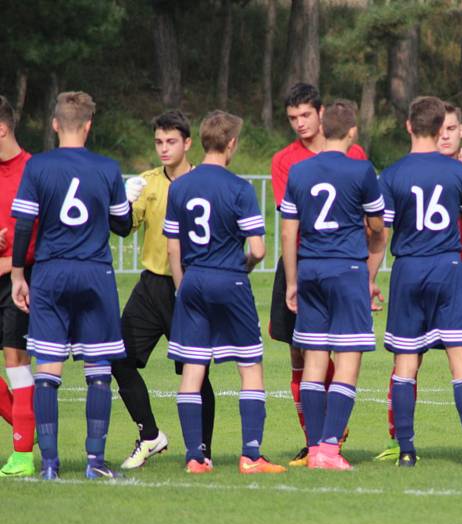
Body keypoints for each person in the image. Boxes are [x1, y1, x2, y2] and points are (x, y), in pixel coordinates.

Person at [382, 96, 462, 469]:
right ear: (441, 128)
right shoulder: (459, 174)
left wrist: (370, 275)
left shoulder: (391, 174)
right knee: (461, 362)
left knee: (405, 364)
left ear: (408, 126)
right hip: (449, 268)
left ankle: (406, 450)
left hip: (408, 269)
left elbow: (382, 230)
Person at [10, 91, 133, 479]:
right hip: (95, 273)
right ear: (90, 126)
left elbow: (25, 224)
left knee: (47, 370)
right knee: (99, 370)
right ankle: (95, 462)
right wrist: (124, 202)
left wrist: (17, 274)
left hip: (50, 272)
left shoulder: (38, 167)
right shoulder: (107, 168)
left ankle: (49, 464)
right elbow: (123, 226)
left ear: (55, 124)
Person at [164, 110, 285, 475]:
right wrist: (244, 265)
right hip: (229, 279)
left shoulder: (180, 185)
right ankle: (251, 455)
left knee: (193, 369)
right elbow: (260, 249)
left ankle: (194, 457)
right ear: (231, 144)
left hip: (193, 280)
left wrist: (183, 288)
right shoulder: (239, 188)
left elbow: (173, 248)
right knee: (250, 366)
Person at [281, 100, 386, 470]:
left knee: (313, 359)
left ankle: (312, 448)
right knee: (347, 359)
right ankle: (329, 448)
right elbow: (376, 226)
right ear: (354, 131)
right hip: (347, 270)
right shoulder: (362, 170)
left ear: (322, 127)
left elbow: (289, 228)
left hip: (310, 269)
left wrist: (292, 280)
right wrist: (370, 267)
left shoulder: (299, 171)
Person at [112, 111, 217, 470]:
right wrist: (123, 203)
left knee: (196, 370)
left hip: (189, 285)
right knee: (119, 358)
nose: (164, 148)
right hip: (151, 284)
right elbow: (124, 228)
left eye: (171, 141)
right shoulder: (148, 182)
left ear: (188, 143)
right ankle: (150, 435)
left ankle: (202, 449)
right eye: (158, 141)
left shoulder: (204, 181)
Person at [0, 95, 36, 477]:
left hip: (22, 279)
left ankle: (22, 455)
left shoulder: (33, 170)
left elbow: (43, 232)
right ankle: (31, 426)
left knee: (17, 363)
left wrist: (14, 264)